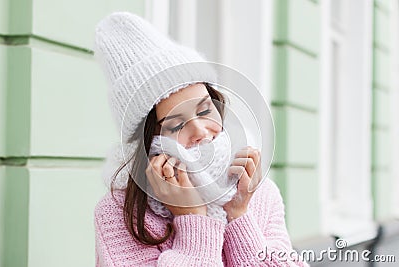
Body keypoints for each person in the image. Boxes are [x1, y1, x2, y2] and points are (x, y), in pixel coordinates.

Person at [94, 11, 309, 267]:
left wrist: (238, 215)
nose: (201, 131)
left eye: (205, 110)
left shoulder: (258, 193)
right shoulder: (120, 214)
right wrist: (193, 220)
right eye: (176, 125)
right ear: (149, 142)